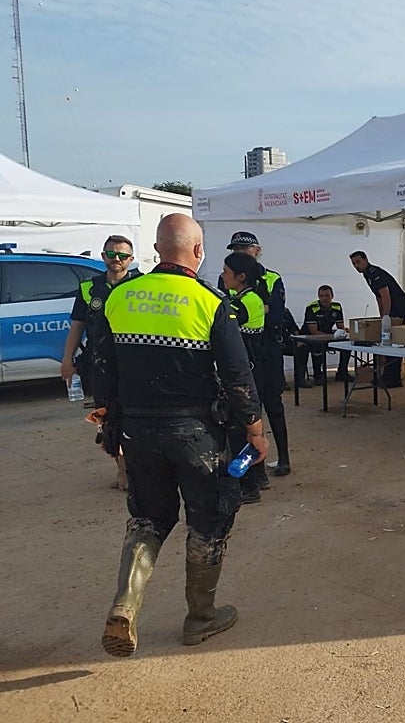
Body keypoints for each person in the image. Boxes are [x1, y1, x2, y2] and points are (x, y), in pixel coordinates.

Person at [89, 214, 267, 657]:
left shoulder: (120, 297)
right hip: (196, 433)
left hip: (138, 431)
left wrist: (108, 414)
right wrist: (256, 430)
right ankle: (200, 619)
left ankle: (125, 607)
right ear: (199, 251)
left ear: (155, 249)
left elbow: (101, 364)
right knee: (208, 521)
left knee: (148, 519)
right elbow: (237, 375)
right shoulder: (210, 302)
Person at [60, 234, 140, 490]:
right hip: (101, 363)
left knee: (139, 416)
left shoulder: (141, 285)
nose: (116, 259)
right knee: (108, 418)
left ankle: (142, 469)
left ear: (131, 258)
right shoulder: (89, 288)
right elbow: (77, 326)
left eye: (122, 255)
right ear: (103, 256)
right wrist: (67, 360)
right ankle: (123, 469)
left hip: (136, 361)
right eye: (111, 254)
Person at [219, 231, 292, 477]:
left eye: (244, 248)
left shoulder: (271, 278)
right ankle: (254, 471)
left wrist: (254, 307)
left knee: (273, 405)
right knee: (245, 409)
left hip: (268, 348)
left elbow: (276, 313)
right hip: (242, 349)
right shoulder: (228, 276)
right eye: (235, 249)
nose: (239, 253)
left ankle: (283, 458)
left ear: (257, 251)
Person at [221, 252, 274, 504]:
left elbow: (223, 320)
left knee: (243, 426)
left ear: (241, 277)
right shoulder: (243, 297)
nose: (222, 276)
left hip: (249, 370)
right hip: (252, 367)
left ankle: (249, 485)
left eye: (226, 272)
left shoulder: (247, 301)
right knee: (246, 424)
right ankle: (259, 477)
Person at [350, 250, 405, 386]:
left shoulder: (375, 273)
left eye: (358, 262)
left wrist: (386, 317)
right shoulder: (367, 275)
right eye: (354, 264)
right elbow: (378, 297)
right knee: (388, 341)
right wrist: (382, 317)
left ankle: (392, 378)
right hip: (392, 309)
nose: (356, 266)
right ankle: (388, 376)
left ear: (365, 260)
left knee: (393, 341)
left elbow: (386, 296)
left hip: (399, 308)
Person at [295, 285, 349, 387]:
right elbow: (314, 331)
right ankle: (318, 375)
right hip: (309, 338)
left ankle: (342, 372)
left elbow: (340, 327)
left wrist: (343, 332)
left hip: (327, 335)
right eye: (322, 296)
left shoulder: (337, 307)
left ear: (332, 296)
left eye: (327, 295)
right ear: (318, 296)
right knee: (317, 345)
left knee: (347, 345)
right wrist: (332, 337)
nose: (324, 298)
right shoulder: (312, 307)